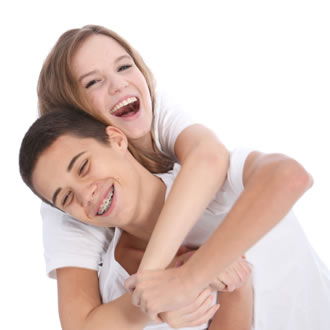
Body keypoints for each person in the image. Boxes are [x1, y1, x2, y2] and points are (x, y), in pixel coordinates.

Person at [19, 108, 330, 330]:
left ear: (116, 139)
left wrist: (188, 278)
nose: (86, 195)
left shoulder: (222, 177)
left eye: (84, 167)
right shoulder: (121, 289)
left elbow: (292, 177)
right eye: (66, 198)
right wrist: (236, 288)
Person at [37, 24, 232, 328]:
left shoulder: (153, 108)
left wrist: (164, 282)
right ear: (71, 119)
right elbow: (79, 324)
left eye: (125, 66)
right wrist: (156, 299)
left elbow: (208, 157)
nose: (118, 85)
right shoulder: (67, 200)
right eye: (93, 83)